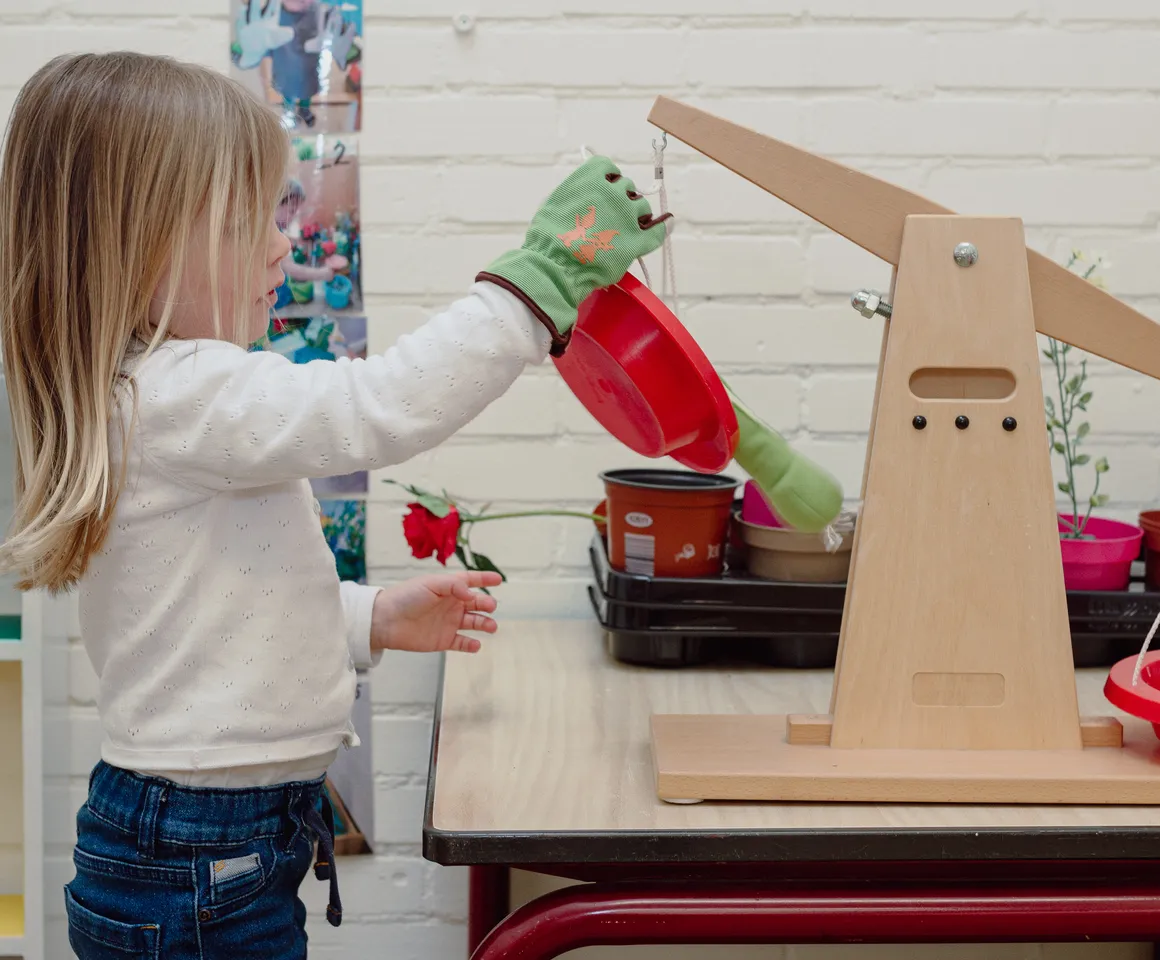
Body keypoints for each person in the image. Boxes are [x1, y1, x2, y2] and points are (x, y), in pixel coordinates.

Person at [0, 52, 669, 959]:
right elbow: (378, 406)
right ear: (135, 247)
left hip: (206, 844)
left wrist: (370, 617)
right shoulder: (183, 390)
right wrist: (535, 285)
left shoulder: (154, 399)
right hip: (201, 856)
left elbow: (217, 608)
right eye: (248, 223)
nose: (285, 242)